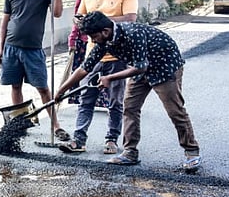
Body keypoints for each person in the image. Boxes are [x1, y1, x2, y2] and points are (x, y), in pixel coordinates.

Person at [54, 11, 202, 171]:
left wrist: (109, 78)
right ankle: (130, 152)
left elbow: (140, 66)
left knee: (175, 110)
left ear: (105, 31)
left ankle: (191, 152)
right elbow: (85, 68)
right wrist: (62, 89)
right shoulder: (104, 41)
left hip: (164, 67)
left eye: (93, 36)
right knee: (130, 108)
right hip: (140, 69)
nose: (92, 40)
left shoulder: (133, 34)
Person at [59, 0, 138, 155]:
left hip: (117, 57)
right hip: (94, 53)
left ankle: (111, 139)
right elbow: (79, 18)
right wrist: (81, 22)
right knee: (86, 97)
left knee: (115, 101)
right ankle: (79, 139)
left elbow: (130, 19)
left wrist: (100, 21)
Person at [0, 0, 67, 147]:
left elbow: (57, 13)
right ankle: (20, 123)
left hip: (33, 49)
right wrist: (0, 48)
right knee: (15, 86)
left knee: (43, 88)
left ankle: (55, 125)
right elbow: (5, 22)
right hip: (11, 47)